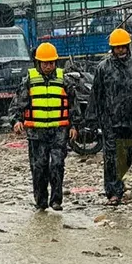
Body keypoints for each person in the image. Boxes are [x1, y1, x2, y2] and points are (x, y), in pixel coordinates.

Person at [11, 42, 80, 211]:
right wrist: (17, 121)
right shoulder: (30, 80)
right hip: (36, 133)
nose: (49, 66)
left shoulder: (64, 79)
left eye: (51, 63)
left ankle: (56, 200)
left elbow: (73, 104)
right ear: (38, 63)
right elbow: (18, 104)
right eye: (45, 63)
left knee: (57, 165)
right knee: (39, 167)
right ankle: (41, 201)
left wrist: (75, 125)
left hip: (59, 131)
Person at [88, 28, 132, 207]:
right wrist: (91, 119)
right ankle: (113, 192)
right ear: (112, 49)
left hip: (130, 119)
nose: (120, 50)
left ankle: (119, 182)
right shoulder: (103, 67)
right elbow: (95, 94)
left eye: (123, 47)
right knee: (112, 157)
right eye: (117, 47)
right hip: (110, 121)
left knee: (128, 154)